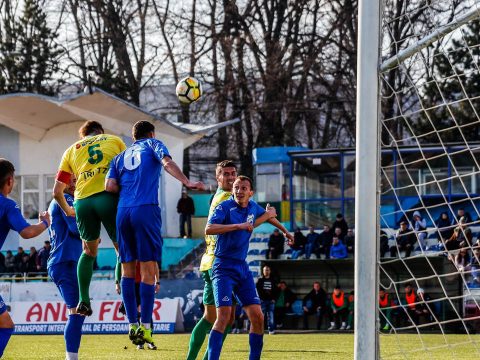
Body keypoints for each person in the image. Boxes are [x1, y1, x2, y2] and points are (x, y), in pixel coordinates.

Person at [105, 120, 205, 347]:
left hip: (123, 212)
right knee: (149, 270)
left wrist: (128, 189)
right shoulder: (153, 144)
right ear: (150, 133)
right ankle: (147, 328)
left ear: (133, 137)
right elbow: (167, 163)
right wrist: (186, 181)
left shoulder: (119, 157)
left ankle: (132, 325)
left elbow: (109, 186)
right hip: (145, 209)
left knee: (127, 270)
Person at [205, 176, 293, 360]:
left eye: (244, 188)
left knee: (258, 317)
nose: (239, 191)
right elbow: (209, 228)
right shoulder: (224, 207)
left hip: (241, 268)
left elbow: (268, 217)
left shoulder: (253, 206)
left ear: (250, 192)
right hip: (222, 266)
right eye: (237, 187)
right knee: (224, 317)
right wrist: (238, 225)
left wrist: (285, 232)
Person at [53, 120, 127, 316]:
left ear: (83, 135)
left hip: (83, 202)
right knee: (122, 248)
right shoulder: (114, 140)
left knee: (88, 252)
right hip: (108, 197)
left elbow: (56, 191)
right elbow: (127, 171)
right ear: (100, 132)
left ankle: (84, 301)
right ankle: (125, 297)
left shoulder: (71, 150)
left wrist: (69, 210)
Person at [187, 160, 237, 360]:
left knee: (220, 317)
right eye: (226, 174)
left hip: (216, 263)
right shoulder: (227, 197)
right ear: (218, 178)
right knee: (218, 318)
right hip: (218, 265)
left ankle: (204, 357)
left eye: (233, 173)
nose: (231, 177)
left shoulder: (219, 196)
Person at [0, 158, 51, 357]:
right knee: (5, 325)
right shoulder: (7, 205)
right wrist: (45, 222)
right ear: (10, 181)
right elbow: (27, 232)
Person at [47, 176, 85, 360]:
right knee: (77, 311)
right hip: (66, 261)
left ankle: (72, 356)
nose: (74, 183)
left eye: (76, 180)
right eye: (71, 180)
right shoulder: (66, 200)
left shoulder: (57, 202)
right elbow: (75, 229)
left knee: (79, 310)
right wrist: (90, 235)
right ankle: (71, 358)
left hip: (63, 261)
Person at [256, 265, 277, 334]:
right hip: (262, 301)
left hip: (271, 301)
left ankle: (271, 330)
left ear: (270, 271)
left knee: (271, 316)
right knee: (261, 316)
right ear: (263, 271)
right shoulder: (260, 280)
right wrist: (261, 298)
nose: (266, 271)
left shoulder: (273, 280)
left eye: (268, 270)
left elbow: (276, 290)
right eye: (265, 270)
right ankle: (259, 330)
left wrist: (274, 298)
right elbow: (258, 290)